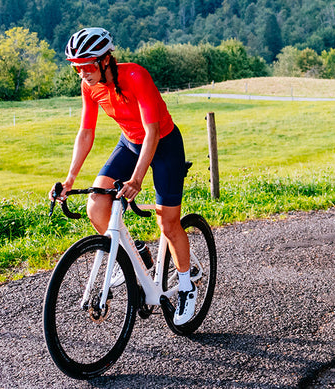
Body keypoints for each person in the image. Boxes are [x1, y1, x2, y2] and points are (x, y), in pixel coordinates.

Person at [49, 27, 197, 325]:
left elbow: (153, 131)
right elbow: (86, 131)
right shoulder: (89, 87)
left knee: (167, 223)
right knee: (96, 205)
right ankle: (136, 256)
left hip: (164, 145)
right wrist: (70, 179)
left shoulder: (135, 76)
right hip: (129, 143)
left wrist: (137, 179)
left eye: (88, 65)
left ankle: (186, 284)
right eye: (77, 67)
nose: (83, 73)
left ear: (106, 60)